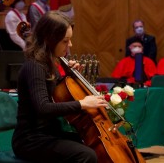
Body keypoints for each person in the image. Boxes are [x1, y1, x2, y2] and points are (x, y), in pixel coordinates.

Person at [12, 11, 107, 163]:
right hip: (31, 140)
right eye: (65, 41)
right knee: (86, 155)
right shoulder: (34, 67)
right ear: (50, 39)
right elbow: (43, 108)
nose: (70, 45)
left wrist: (69, 75)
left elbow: (55, 93)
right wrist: (82, 104)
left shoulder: (48, 65)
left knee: (92, 143)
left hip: (48, 133)